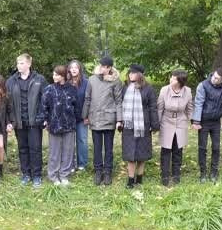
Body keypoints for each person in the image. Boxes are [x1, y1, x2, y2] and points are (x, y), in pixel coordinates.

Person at [6, 53, 47, 187]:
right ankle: (26, 174)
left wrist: (43, 118)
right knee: (22, 148)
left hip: (34, 122)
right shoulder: (11, 81)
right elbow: (8, 103)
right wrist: (10, 121)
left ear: (29, 64)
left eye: (22, 63)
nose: (19, 66)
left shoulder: (39, 79)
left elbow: (45, 100)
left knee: (35, 149)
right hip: (19, 121)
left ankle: (37, 175)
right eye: (18, 63)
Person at [83, 56, 123, 186]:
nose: (101, 68)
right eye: (100, 65)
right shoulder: (92, 79)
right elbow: (87, 98)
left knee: (109, 148)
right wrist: (85, 115)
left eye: (104, 66)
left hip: (109, 119)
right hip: (95, 118)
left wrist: (119, 119)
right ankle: (98, 171)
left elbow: (118, 101)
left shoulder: (116, 81)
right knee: (97, 148)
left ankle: (107, 172)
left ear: (109, 68)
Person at [117, 64, 159, 188]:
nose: (130, 75)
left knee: (142, 154)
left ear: (140, 75)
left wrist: (154, 124)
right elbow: (120, 105)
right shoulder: (125, 88)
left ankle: (139, 178)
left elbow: (153, 108)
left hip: (143, 126)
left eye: (133, 73)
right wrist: (119, 121)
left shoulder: (148, 89)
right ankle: (130, 180)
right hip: (128, 126)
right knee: (130, 154)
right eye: (129, 73)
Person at [42, 64, 80, 186]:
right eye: (53, 74)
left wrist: (76, 119)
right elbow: (44, 107)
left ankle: (64, 175)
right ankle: (53, 176)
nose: (54, 76)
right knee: (54, 152)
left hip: (69, 125)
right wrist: (45, 120)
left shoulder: (72, 89)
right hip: (54, 125)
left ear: (63, 76)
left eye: (56, 74)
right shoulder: (49, 89)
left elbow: (77, 106)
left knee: (68, 151)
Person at [191, 70, 222, 182]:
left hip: (216, 122)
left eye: (217, 78)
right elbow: (198, 103)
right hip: (204, 121)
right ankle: (203, 173)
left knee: (216, 147)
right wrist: (196, 121)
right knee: (202, 147)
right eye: (214, 76)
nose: (214, 79)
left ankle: (214, 171)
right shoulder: (203, 85)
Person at [157, 71, 193, 186]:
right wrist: (156, 124)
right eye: (171, 77)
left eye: (174, 79)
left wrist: (193, 121)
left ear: (180, 81)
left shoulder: (187, 91)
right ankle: (165, 175)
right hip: (166, 121)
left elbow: (189, 108)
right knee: (166, 150)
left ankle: (176, 175)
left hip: (181, 122)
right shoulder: (164, 90)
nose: (171, 80)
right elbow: (159, 108)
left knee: (178, 150)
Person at [67, 60, 90, 173]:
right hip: (69, 118)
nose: (74, 69)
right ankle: (70, 164)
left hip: (82, 117)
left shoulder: (86, 82)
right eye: (72, 67)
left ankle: (82, 164)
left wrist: (87, 116)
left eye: (76, 67)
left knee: (82, 140)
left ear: (79, 69)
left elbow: (89, 100)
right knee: (69, 142)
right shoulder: (66, 82)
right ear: (69, 70)